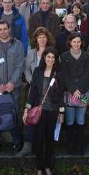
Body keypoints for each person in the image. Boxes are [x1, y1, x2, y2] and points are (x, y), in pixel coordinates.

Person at [23, 47, 64, 175]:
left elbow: (60, 95)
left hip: (52, 111)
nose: (50, 60)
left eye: (53, 57)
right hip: (39, 111)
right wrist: (26, 108)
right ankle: (39, 168)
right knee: (39, 141)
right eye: (48, 57)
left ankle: (48, 166)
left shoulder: (58, 73)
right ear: (44, 58)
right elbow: (33, 91)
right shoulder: (37, 71)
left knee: (50, 141)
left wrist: (61, 112)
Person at [0, 20, 25, 153]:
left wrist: (12, 83)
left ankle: (17, 142)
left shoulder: (18, 45)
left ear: (9, 29)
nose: (2, 31)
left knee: (15, 113)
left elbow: (20, 65)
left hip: (15, 87)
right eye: (0, 29)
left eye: (5, 29)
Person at [19, 27, 56, 157]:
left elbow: (57, 69)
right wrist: (33, 81)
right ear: (35, 39)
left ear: (48, 38)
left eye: (44, 37)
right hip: (34, 89)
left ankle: (44, 146)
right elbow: (26, 69)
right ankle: (27, 145)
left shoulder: (51, 52)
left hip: (49, 91)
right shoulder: (31, 53)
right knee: (30, 115)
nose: (42, 39)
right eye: (39, 37)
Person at [60, 32, 89, 155]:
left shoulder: (86, 56)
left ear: (81, 42)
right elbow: (64, 75)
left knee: (81, 119)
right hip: (69, 93)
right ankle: (70, 145)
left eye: (78, 41)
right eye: (74, 42)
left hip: (82, 93)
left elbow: (88, 74)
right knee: (70, 120)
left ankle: (80, 145)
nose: (76, 44)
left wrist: (80, 89)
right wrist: (73, 89)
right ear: (70, 43)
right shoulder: (64, 56)